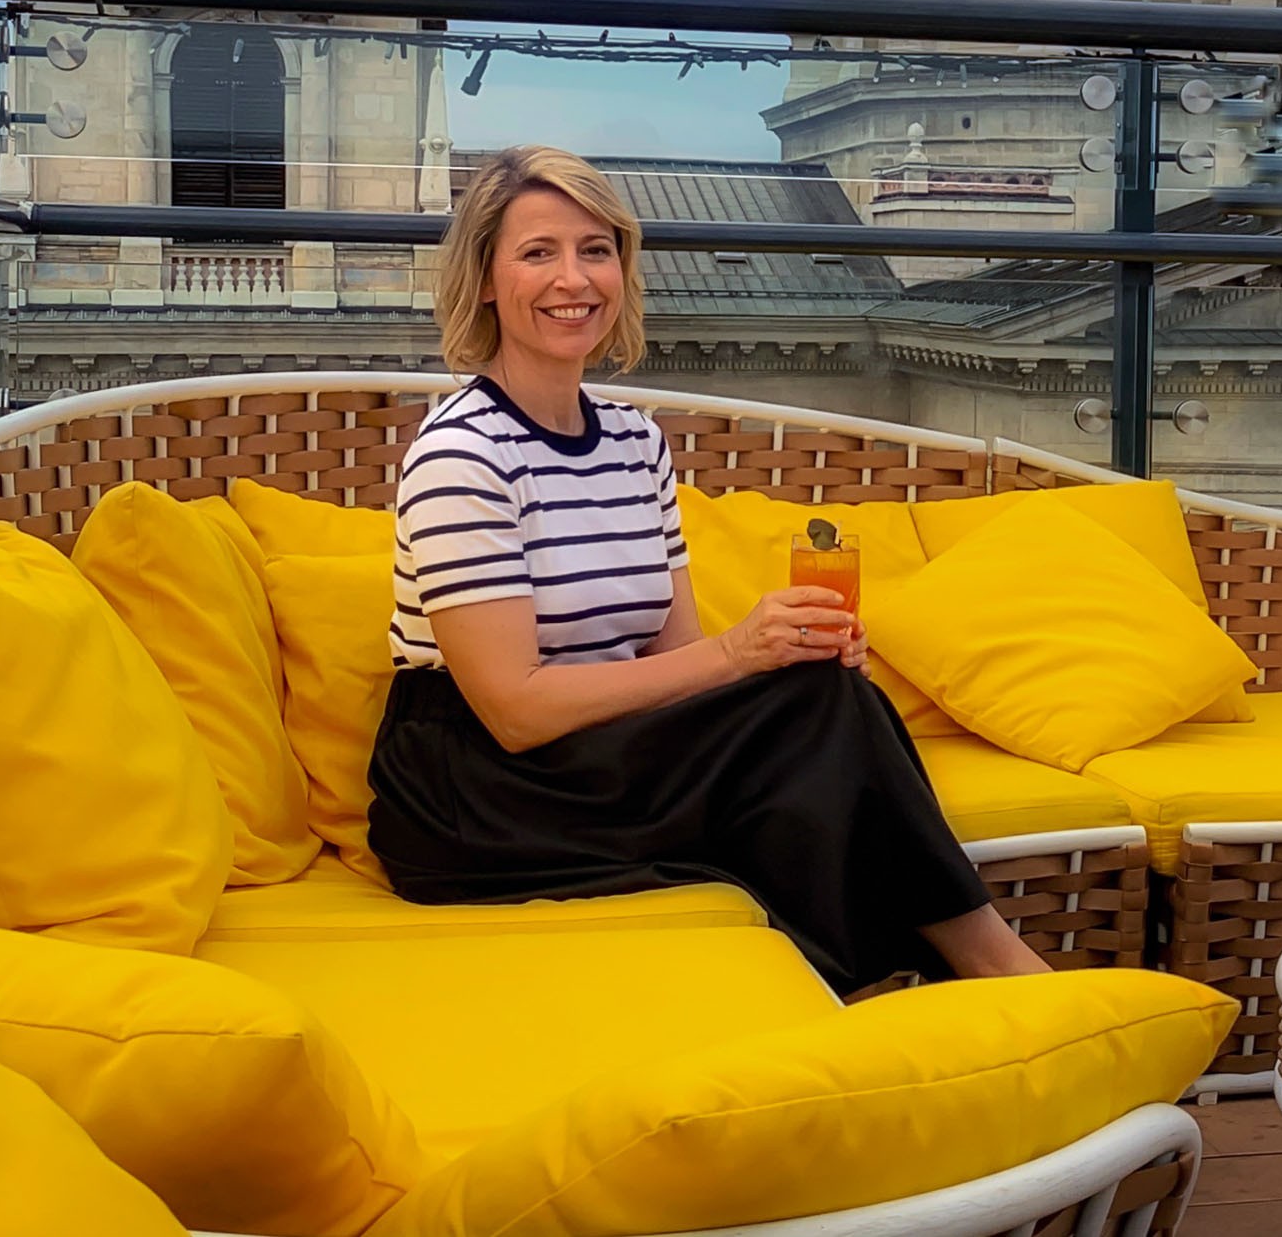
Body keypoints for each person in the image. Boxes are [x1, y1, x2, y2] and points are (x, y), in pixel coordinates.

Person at [367, 145, 1049, 995]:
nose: (572, 279)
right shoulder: (461, 453)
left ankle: (878, 987)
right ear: (486, 280)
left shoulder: (631, 442)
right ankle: (987, 969)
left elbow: (675, 665)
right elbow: (513, 710)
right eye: (538, 253)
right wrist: (741, 658)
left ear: (623, 270)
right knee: (810, 717)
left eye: (596, 250)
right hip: (477, 789)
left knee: (826, 697)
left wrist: (786, 662)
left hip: (600, 757)